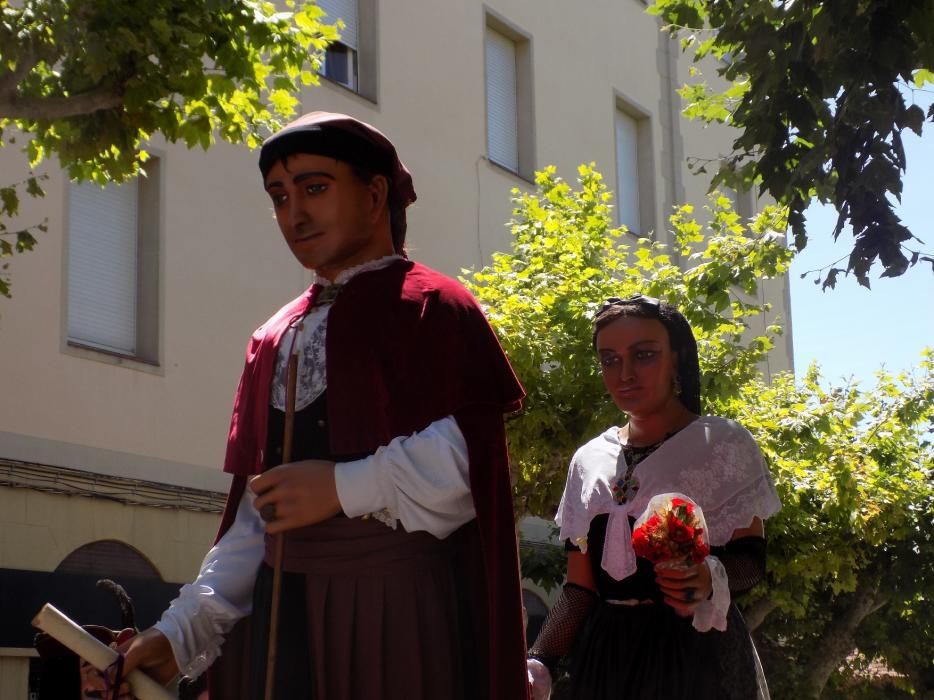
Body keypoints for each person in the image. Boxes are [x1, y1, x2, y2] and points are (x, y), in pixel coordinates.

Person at [80, 111, 531, 699]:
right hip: (278, 627)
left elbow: (471, 469)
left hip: (394, 624)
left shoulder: (435, 307)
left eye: (315, 187)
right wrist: (179, 633)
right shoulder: (274, 334)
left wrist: (344, 486)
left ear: (374, 195)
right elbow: (253, 520)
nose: (294, 211)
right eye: (279, 195)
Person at [526, 294, 781, 699]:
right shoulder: (588, 460)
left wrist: (707, 576)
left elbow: (752, 560)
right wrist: (541, 659)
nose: (624, 373)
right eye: (610, 359)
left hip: (695, 659)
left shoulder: (722, 445)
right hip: (606, 663)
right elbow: (579, 589)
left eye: (643, 355)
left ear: (676, 357)